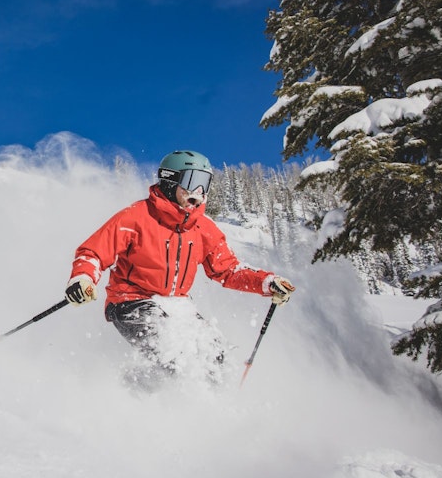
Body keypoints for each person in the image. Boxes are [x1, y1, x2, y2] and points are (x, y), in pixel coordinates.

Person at [64, 150, 295, 387]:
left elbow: (228, 270)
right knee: (171, 352)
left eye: (204, 184)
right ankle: (134, 394)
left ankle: (209, 411)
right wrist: (83, 279)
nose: (199, 194)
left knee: (214, 356)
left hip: (177, 305)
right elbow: (93, 252)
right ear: (169, 181)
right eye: (192, 183)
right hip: (130, 300)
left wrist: (266, 283)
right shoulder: (136, 217)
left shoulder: (203, 228)